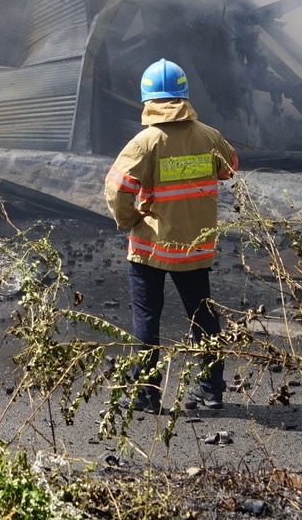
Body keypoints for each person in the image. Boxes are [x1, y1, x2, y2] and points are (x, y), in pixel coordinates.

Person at [103, 58, 238, 414]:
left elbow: (117, 189)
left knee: (147, 319)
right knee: (203, 317)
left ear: (148, 99)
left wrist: (129, 220)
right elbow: (230, 168)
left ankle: (146, 395)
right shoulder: (210, 136)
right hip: (195, 247)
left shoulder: (146, 142)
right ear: (184, 96)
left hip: (152, 248)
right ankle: (211, 391)